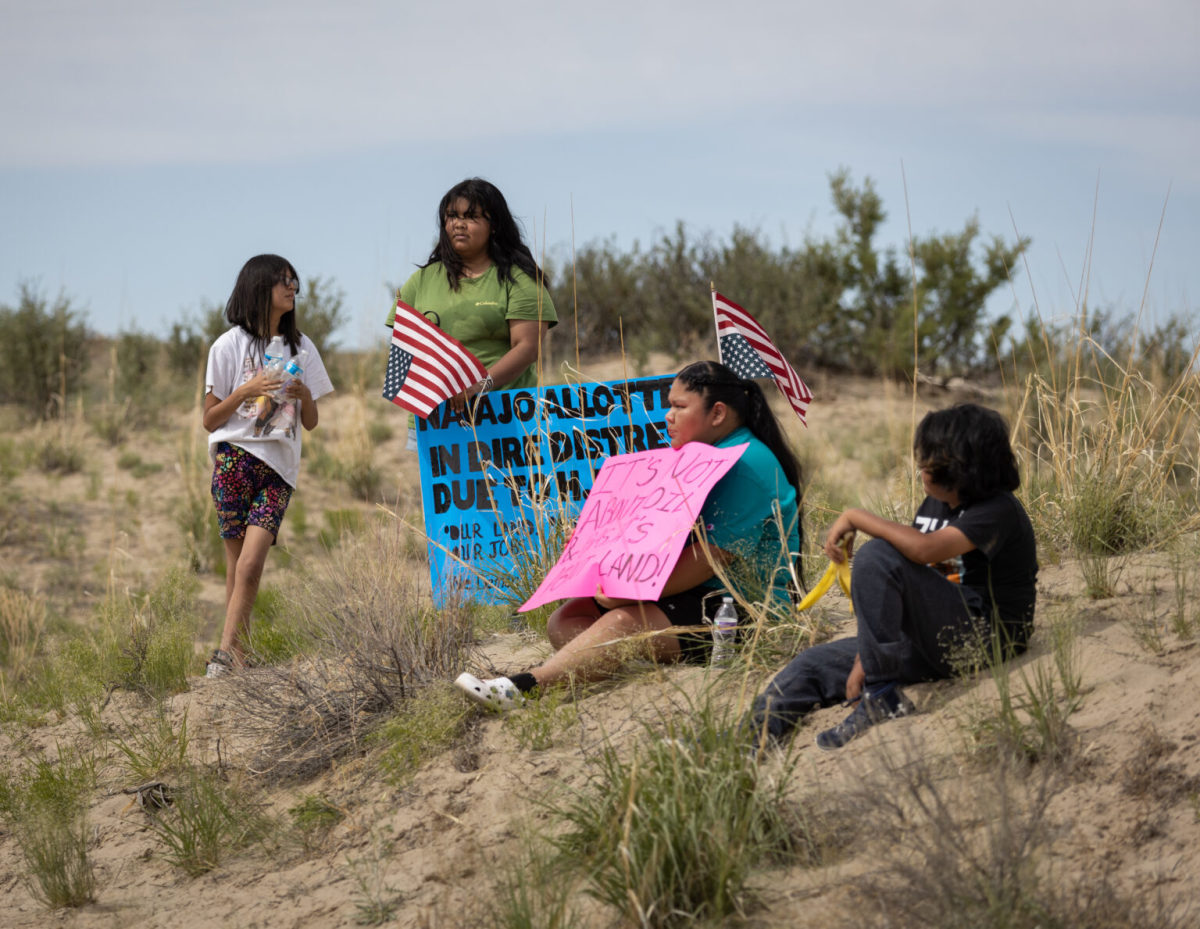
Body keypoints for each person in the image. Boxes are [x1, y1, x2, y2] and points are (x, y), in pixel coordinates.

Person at [454, 360, 802, 710]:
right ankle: (623, 658)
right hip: (694, 592)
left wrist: (624, 596)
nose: (668, 415)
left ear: (718, 414)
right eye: (669, 405)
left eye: (680, 407)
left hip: (743, 608)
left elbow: (709, 559)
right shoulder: (698, 455)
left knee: (622, 622)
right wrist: (591, 545)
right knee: (566, 620)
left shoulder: (746, 465)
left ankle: (524, 689)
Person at [749, 402, 1037, 750]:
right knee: (812, 664)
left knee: (876, 555)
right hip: (933, 634)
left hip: (984, 636)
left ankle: (882, 695)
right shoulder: (936, 505)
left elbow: (924, 551)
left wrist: (856, 516)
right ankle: (748, 742)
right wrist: (867, 658)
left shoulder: (997, 510)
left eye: (927, 460)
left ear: (956, 467)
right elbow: (920, 582)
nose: (920, 467)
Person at [202, 255, 334, 676]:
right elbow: (209, 419)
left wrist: (305, 395)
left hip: (279, 469)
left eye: (294, 280)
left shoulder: (303, 348)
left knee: (252, 563)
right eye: (282, 281)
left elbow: (310, 423)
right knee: (237, 566)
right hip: (234, 461)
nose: (292, 287)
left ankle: (223, 654)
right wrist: (248, 390)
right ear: (258, 288)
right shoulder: (227, 346)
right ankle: (236, 656)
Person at [386, 178, 557, 440]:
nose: (459, 224)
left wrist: (478, 387)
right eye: (452, 216)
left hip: (505, 419)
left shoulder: (520, 279)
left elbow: (527, 348)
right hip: (438, 422)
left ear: (494, 225)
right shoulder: (420, 282)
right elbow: (403, 346)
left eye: (471, 216)